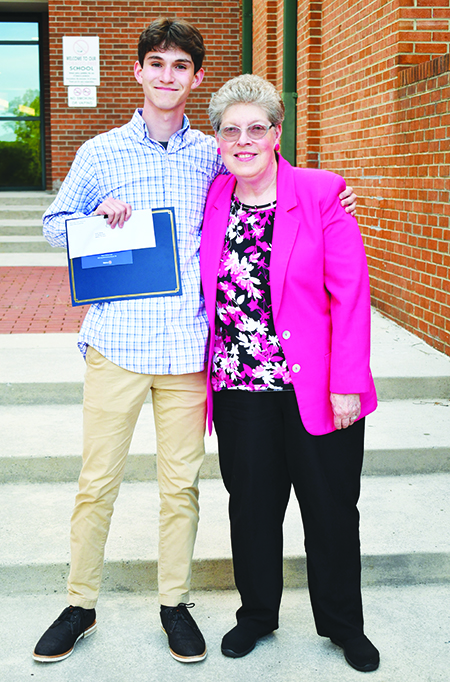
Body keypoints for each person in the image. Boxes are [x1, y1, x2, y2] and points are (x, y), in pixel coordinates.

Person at [32, 21, 357, 665]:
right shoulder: (99, 152)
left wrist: (329, 194)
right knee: (98, 481)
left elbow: (265, 175)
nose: (167, 75)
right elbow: (51, 226)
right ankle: (79, 603)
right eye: (156, 63)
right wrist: (91, 221)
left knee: (180, 486)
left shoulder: (212, 154)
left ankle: (174, 604)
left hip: (187, 354)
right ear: (138, 72)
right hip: (116, 344)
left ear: (196, 77)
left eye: (181, 65)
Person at [200, 74, 379, 673]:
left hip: (317, 387)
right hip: (239, 389)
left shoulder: (323, 192)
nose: (244, 140)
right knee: (250, 507)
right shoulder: (213, 195)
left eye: (257, 128)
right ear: (219, 139)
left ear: (278, 133)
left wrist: (348, 380)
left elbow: (351, 292)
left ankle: (343, 624)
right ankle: (256, 614)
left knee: (330, 508)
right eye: (231, 130)